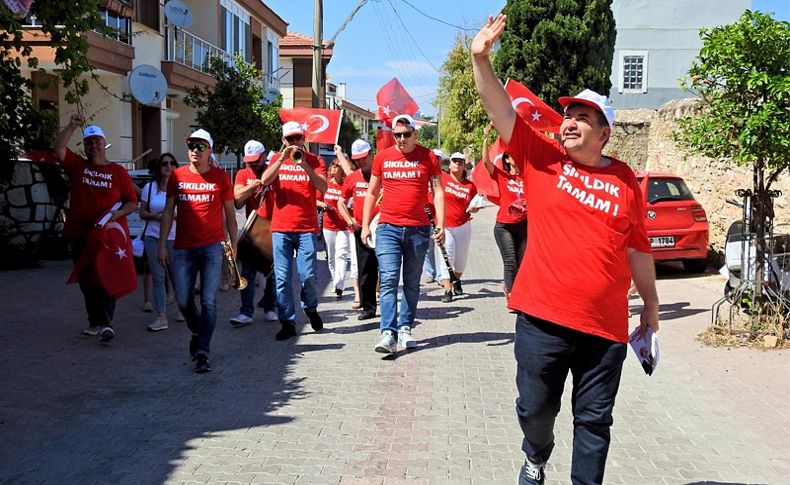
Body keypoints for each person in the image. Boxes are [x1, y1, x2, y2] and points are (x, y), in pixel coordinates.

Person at [471, 14, 660, 484]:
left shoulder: (626, 182)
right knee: (535, 409)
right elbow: (500, 109)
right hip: (542, 319)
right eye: (569, 116)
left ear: (605, 133)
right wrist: (480, 58)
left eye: (583, 118)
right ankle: (536, 454)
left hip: (605, 329)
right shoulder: (542, 157)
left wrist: (651, 311)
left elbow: (637, 248)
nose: (570, 123)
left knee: (595, 423)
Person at [361, 114, 445, 354]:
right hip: (388, 227)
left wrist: (441, 223)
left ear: (415, 134)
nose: (401, 139)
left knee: (411, 282)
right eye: (397, 135)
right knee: (388, 279)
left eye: (406, 134)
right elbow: (371, 192)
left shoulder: (428, 157)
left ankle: (405, 328)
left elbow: (438, 192)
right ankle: (388, 333)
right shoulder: (383, 157)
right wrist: (366, 224)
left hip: (418, 229)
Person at [54, 115, 138, 342]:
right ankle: (96, 321)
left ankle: (105, 323)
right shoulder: (77, 166)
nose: (93, 146)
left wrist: (115, 215)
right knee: (86, 279)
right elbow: (59, 147)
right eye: (89, 142)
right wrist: (72, 126)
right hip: (80, 234)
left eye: (97, 141)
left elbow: (131, 202)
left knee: (105, 277)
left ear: (104, 143)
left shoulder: (118, 172)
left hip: (108, 237)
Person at [159, 129, 237, 373]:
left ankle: (203, 350)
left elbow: (231, 215)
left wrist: (233, 246)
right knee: (183, 300)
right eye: (192, 145)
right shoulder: (177, 176)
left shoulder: (221, 178)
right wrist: (162, 244)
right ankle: (197, 331)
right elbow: (168, 212)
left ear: (210, 151)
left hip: (212, 246)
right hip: (183, 247)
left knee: (209, 300)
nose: (195, 150)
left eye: (201, 146)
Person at [261, 121, 327, 341]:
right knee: (282, 278)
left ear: (304, 138)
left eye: (298, 138)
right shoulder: (275, 159)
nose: (295, 142)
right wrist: (282, 158)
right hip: (281, 228)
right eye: (290, 139)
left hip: (306, 227)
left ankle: (310, 307)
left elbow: (324, 187)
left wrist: (305, 165)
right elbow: (264, 180)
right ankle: (287, 321)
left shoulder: (315, 160)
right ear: (283, 141)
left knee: (307, 275)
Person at [229, 140, 278, 327]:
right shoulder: (243, 173)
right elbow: (237, 201)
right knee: (247, 273)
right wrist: (254, 185)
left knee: (272, 273)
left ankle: (270, 308)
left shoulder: (273, 170)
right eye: (249, 160)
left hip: (274, 227)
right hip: (253, 228)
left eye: (256, 160)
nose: (252, 164)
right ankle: (245, 312)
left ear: (264, 156)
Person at [480, 122, 528, 301]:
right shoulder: (502, 176)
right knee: (510, 262)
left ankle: (517, 290)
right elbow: (486, 161)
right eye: (513, 155)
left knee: (521, 262)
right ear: (507, 159)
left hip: (524, 225)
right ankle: (512, 295)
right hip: (504, 227)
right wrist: (486, 137)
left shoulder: (528, 178)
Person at [337, 139, 378, 320]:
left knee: (387, 269)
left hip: (383, 228)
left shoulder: (383, 175)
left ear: (371, 154)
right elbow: (341, 202)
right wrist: (349, 219)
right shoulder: (352, 178)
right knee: (365, 270)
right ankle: (368, 308)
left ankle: (389, 306)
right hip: (361, 230)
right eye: (356, 159)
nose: (360, 162)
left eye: (363, 158)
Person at [139, 153, 179, 331]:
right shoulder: (149, 188)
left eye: (172, 163)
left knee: (177, 276)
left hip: (174, 237)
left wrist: (171, 216)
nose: (168, 167)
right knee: (158, 276)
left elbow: (188, 212)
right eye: (164, 163)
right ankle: (161, 316)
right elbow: (142, 213)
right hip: (153, 237)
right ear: (159, 167)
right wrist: (156, 216)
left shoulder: (181, 188)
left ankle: (182, 309)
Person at [436, 152, 479, 303]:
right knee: (446, 256)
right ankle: (447, 289)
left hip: (463, 226)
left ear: (464, 165)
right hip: (445, 226)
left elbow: (474, 205)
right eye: (454, 161)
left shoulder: (470, 186)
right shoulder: (442, 178)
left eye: (460, 162)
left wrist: (474, 208)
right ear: (450, 164)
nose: (457, 164)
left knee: (461, 261)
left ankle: (456, 280)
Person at [321, 149, 360, 305]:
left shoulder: (347, 185)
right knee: (331, 256)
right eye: (334, 165)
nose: (336, 167)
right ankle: (335, 278)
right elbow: (314, 199)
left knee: (341, 255)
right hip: (328, 226)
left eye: (338, 165)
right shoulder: (326, 184)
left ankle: (339, 284)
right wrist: (322, 205)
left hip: (344, 226)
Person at [423, 148, 448, 284]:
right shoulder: (424, 174)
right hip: (425, 216)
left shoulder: (445, 176)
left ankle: (440, 275)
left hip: (438, 217)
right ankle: (430, 272)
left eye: (438, 159)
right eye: (434, 158)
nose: (436, 161)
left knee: (439, 247)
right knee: (427, 248)